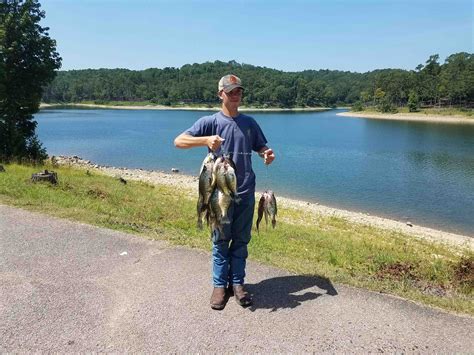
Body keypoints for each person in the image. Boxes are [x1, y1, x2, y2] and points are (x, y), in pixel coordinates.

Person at [174, 74, 275, 310]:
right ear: (220, 94)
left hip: (246, 192)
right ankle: (220, 286)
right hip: (220, 195)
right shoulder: (210, 122)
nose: (236, 95)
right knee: (220, 240)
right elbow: (178, 141)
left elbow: (261, 147)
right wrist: (205, 140)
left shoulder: (249, 123)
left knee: (241, 240)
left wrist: (267, 154)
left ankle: (237, 283)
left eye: (239, 91)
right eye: (231, 91)